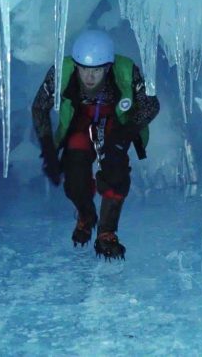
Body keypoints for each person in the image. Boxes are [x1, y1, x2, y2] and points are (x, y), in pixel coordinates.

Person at [31, 30, 159, 260]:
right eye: (84, 70)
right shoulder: (61, 72)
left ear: (108, 67)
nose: (89, 77)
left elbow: (151, 105)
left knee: (116, 169)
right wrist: (49, 148)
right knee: (74, 172)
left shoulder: (127, 71)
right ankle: (85, 216)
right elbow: (39, 107)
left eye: (96, 71)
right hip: (80, 120)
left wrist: (125, 134)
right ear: (76, 65)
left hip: (115, 122)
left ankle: (106, 232)